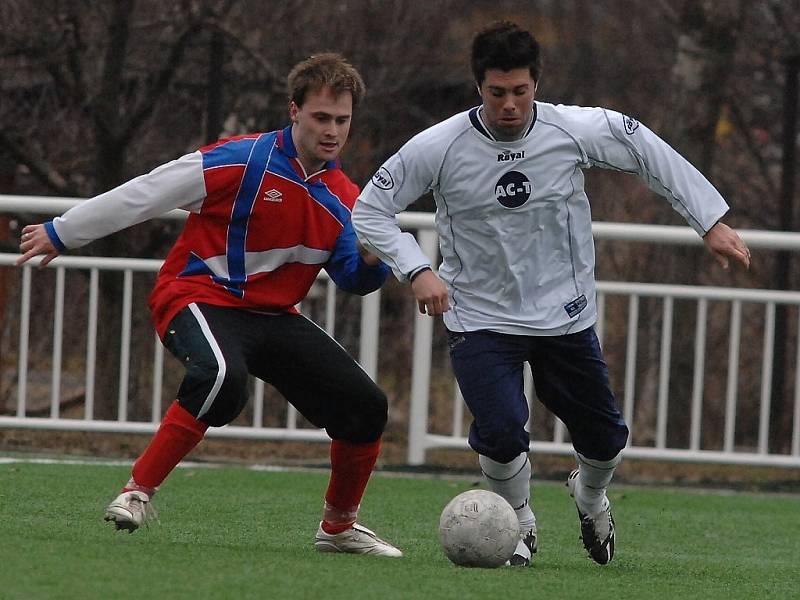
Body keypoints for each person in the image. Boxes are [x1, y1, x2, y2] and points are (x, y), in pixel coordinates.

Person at [352, 22, 751, 566]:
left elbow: (648, 151)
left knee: (606, 438)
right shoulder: (439, 146)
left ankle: (588, 496)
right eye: (497, 93)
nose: (510, 105)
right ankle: (518, 524)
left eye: (520, 91)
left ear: (536, 84)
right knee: (500, 431)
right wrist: (417, 268)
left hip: (563, 317)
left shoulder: (574, 129)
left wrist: (710, 222)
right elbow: (370, 210)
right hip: (480, 317)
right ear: (479, 88)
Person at [17, 53, 402, 558]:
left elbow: (353, 276)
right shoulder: (238, 161)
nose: (332, 131)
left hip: (271, 317)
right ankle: (136, 491)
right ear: (294, 111)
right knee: (222, 377)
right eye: (321, 118)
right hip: (196, 295)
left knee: (366, 406)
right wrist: (61, 232)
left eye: (342, 120)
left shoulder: (345, 198)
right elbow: (144, 193)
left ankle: (338, 528)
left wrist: (375, 260)